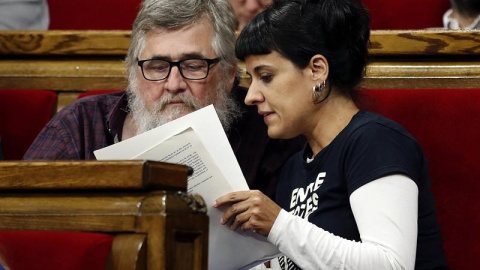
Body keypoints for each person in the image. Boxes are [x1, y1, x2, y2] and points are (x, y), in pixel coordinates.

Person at [214, 0, 450, 269]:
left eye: (266, 76)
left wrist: (278, 224)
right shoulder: (294, 167)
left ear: (317, 70)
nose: (252, 96)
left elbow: (391, 264)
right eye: (251, 79)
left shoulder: (375, 142)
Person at [23, 0, 303, 198]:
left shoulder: (272, 133)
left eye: (193, 66)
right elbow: (17, 215)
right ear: (133, 73)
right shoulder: (80, 128)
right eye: (157, 67)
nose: (173, 84)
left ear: (229, 74)